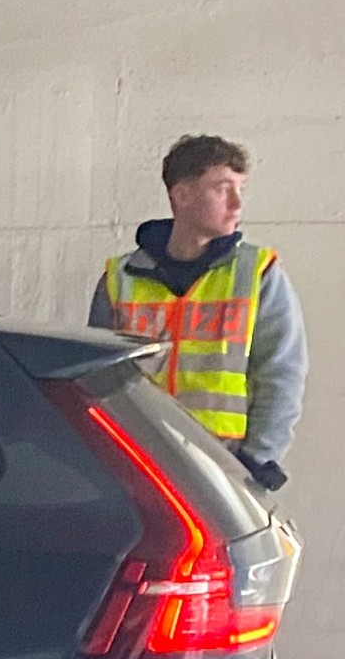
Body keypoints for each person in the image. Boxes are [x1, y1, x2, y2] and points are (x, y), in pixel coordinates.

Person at [89, 135, 307, 489]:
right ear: (182, 195)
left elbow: (282, 374)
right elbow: (97, 381)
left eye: (240, 189)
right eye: (223, 189)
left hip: (226, 469)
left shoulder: (258, 274)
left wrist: (258, 458)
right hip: (139, 467)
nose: (237, 204)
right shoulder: (119, 279)